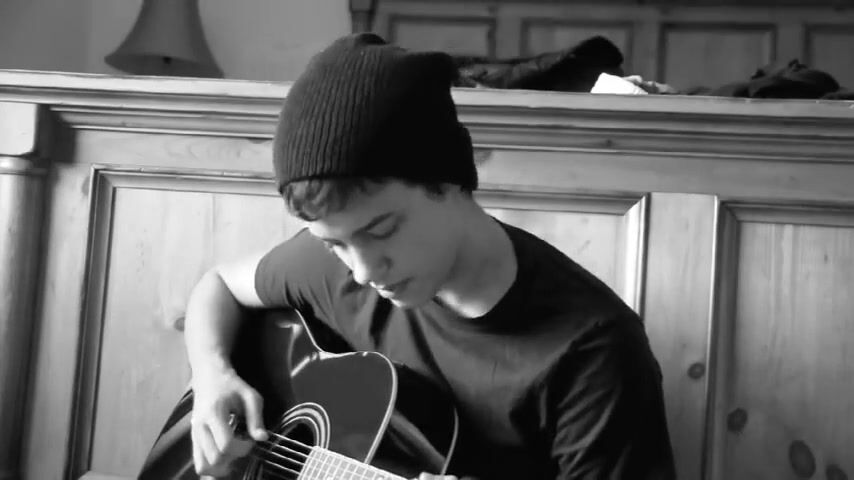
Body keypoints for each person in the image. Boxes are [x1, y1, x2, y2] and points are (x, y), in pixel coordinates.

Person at [184, 32, 676, 480]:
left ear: (448, 181)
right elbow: (219, 286)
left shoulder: (595, 354)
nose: (364, 271)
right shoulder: (330, 267)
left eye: (383, 230)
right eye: (335, 244)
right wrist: (211, 377)